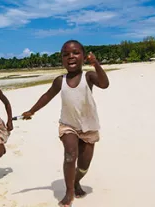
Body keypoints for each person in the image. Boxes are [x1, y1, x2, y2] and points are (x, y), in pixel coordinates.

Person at [21, 40, 109, 206]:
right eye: (65, 54)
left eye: (75, 52)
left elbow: (104, 84)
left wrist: (96, 63)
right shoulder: (59, 81)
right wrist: (32, 110)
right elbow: (47, 96)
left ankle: (76, 181)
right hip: (68, 125)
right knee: (70, 155)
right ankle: (69, 192)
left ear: (83, 56)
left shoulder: (88, 76)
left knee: (83, 165)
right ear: (61, 59)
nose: (70, 56)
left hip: (89, 127)